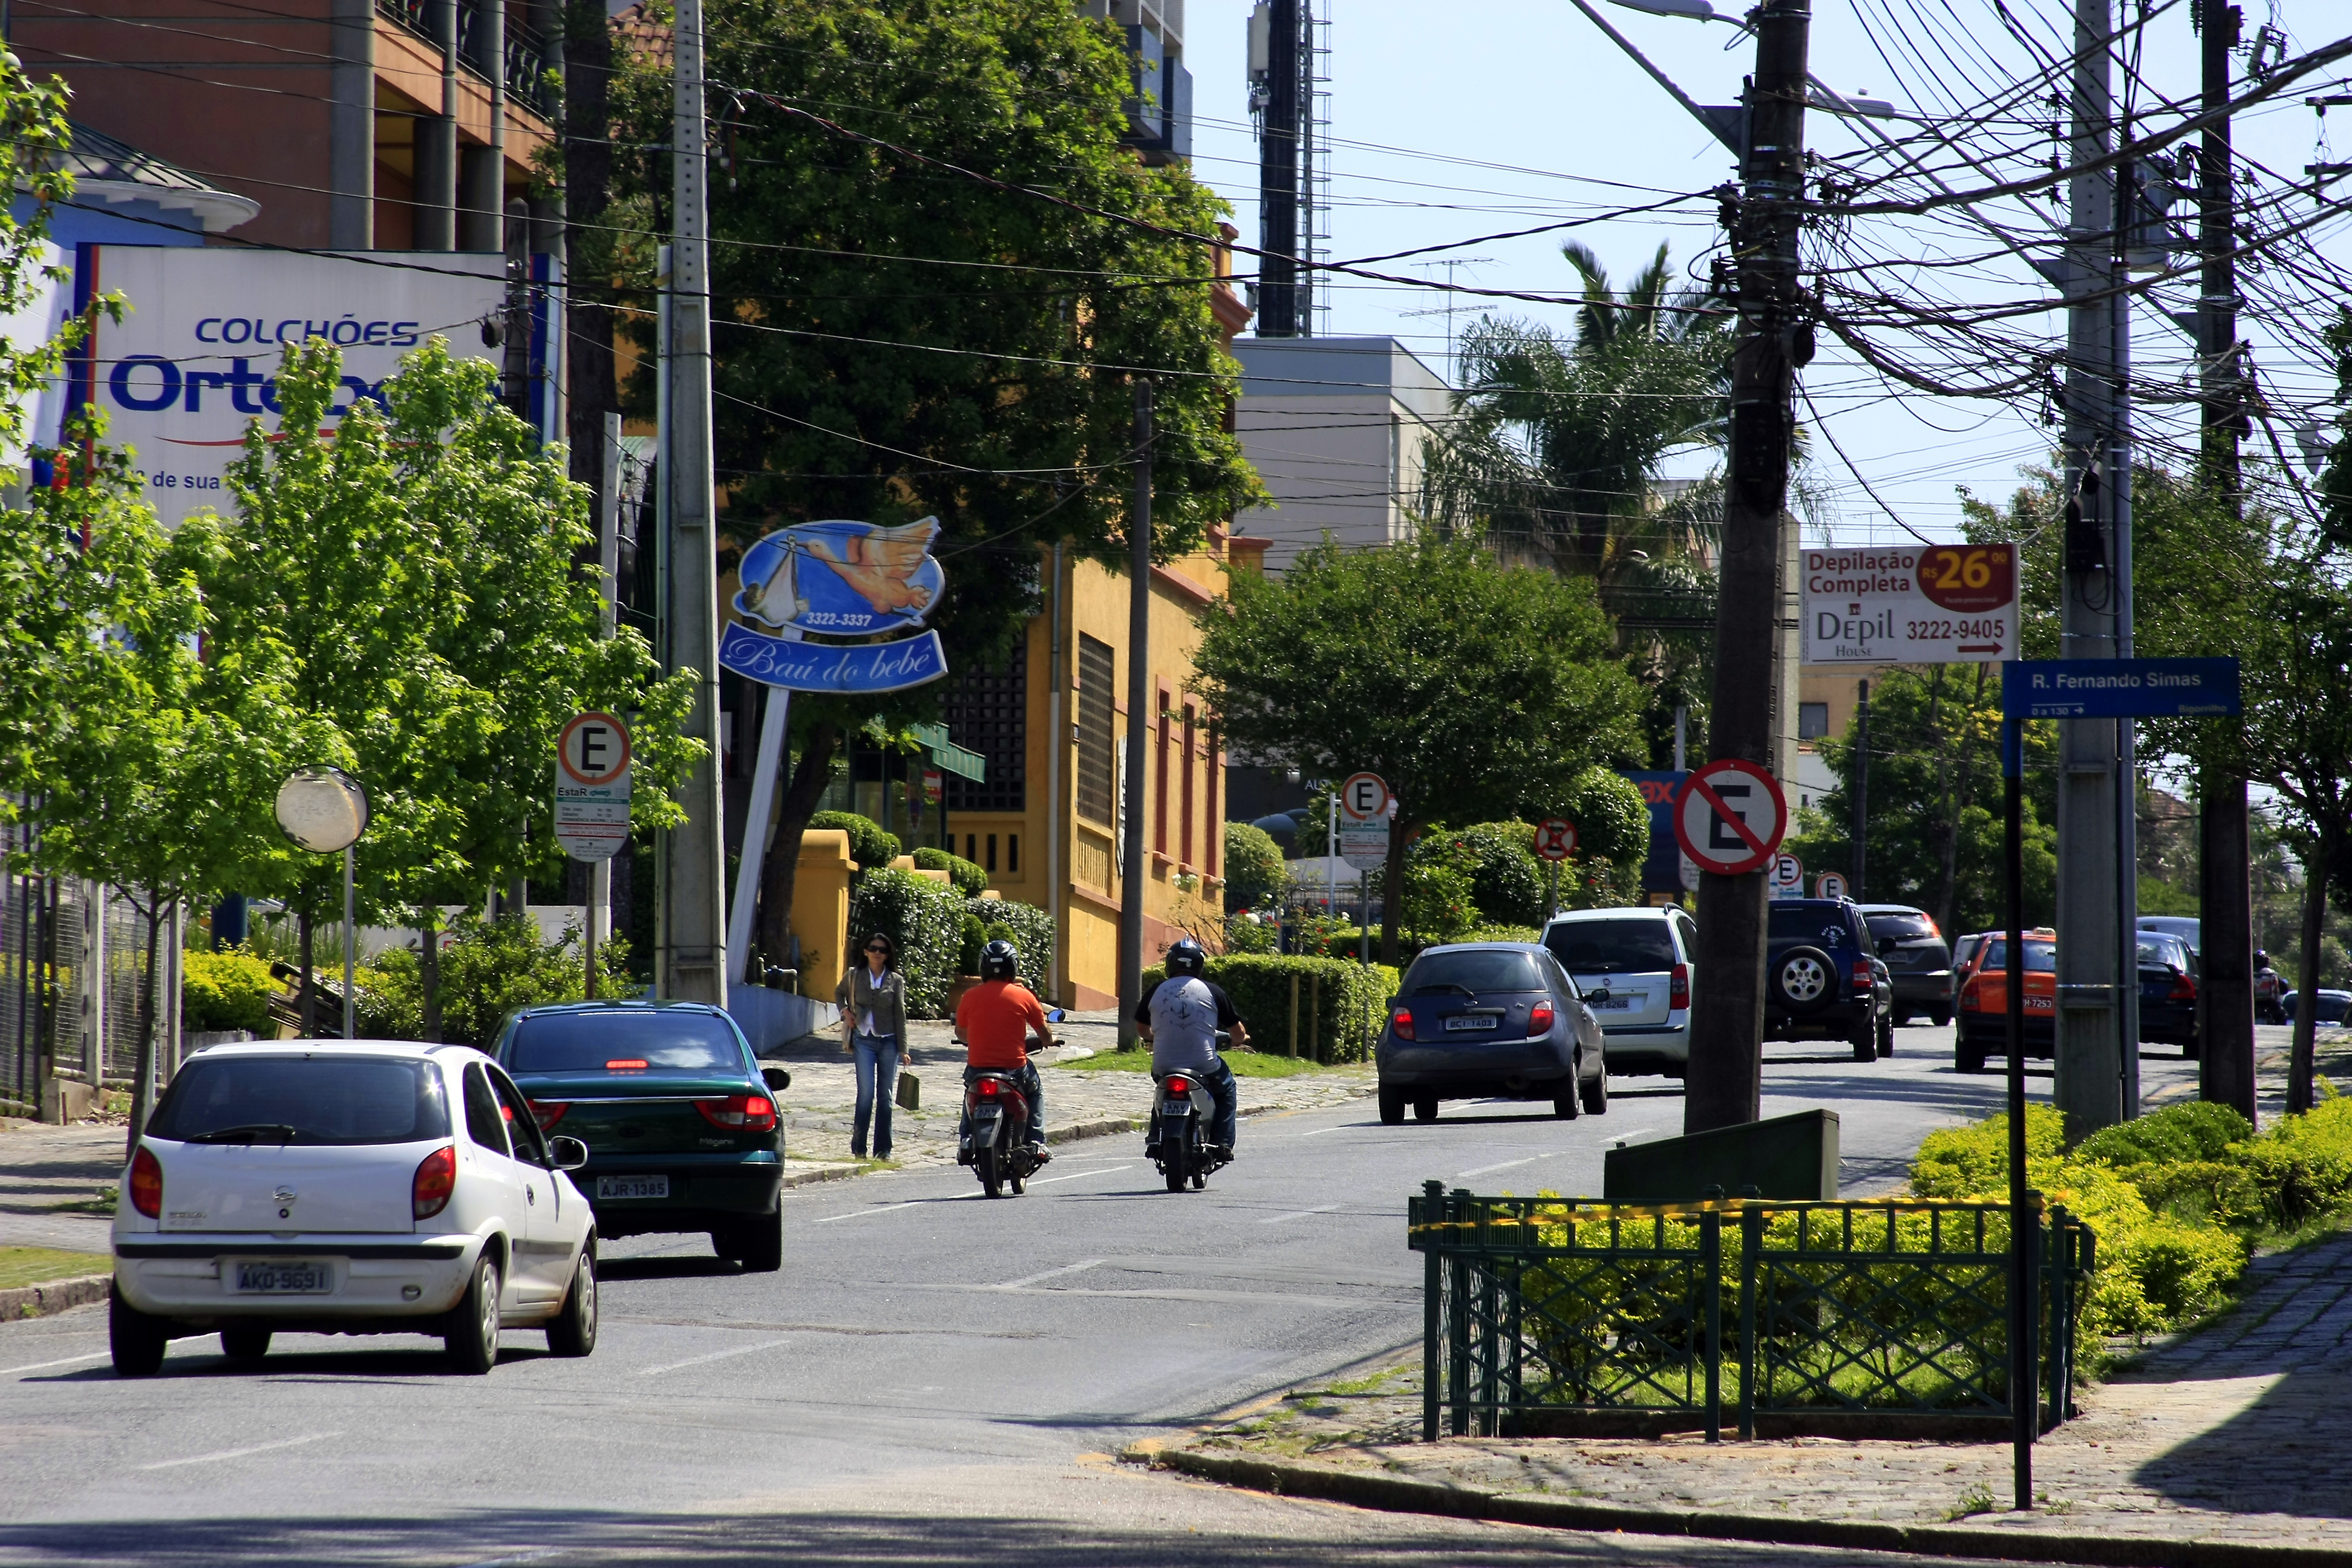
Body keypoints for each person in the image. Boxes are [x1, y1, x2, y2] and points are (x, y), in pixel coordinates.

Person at [1135, 938, 1244, 1156]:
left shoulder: (1156, 990)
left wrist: (1152, 1037)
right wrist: (1239, 1039)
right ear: (1200, 965)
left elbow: (1141, 1028)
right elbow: (1238, 1033)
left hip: (1163, 1065)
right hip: (1203, 1065)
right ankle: (1222, 1143)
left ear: (1170, 963)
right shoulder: (1212, 991)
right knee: (1227, 1089)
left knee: (1162, 1090)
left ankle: (1155, 1133)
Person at [954, 939, 1053, 1161]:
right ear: (1013, 966)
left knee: (970, 1091)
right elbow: (1044, 1034)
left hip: (978, 1070)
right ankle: (1037, 1140)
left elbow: (961, 1034)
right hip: (1014, 1070)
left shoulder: (969, 996)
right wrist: (1050, 1040)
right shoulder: (1024, 995)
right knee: (1035, 1089)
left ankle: (966, 1138)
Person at [834, 931, 907, 1160]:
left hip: (889, 1041)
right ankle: (859, 1147)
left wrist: (904, 1049)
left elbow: (900, 1015)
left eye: (882, 950)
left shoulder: (895, 980)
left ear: (887, 956)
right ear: (866, 951)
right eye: (873, 948)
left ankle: (883, 1150)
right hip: (863, 1040)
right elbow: (839, 993)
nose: (877, 953)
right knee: (866, 1094)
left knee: (885, 1096)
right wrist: (845, 1012)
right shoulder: (855, 975)